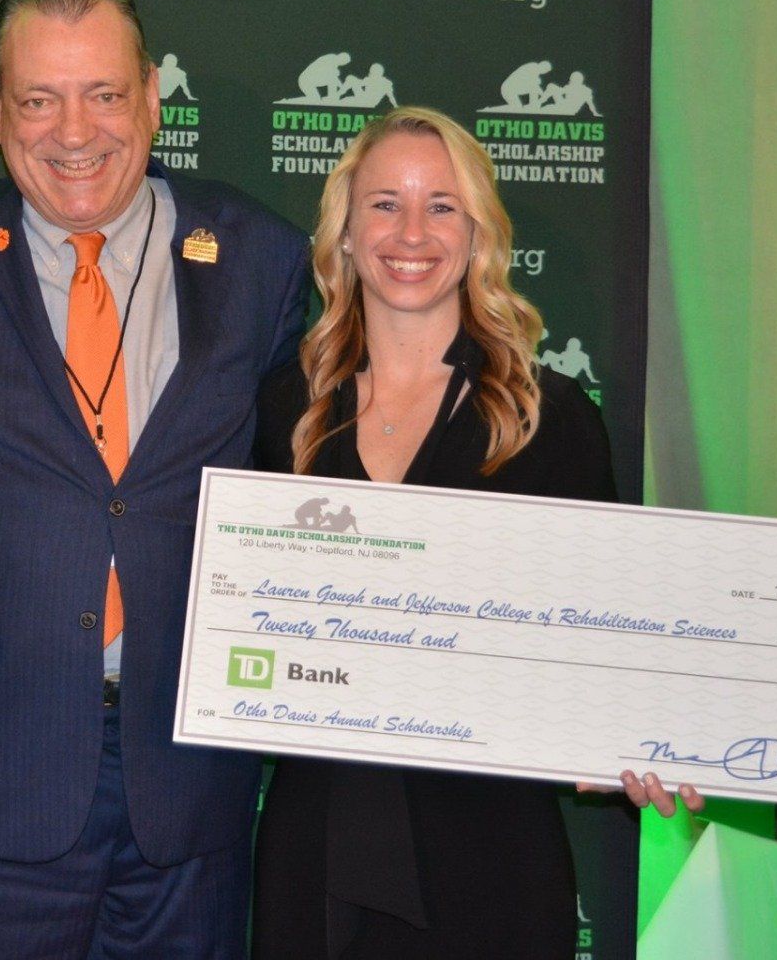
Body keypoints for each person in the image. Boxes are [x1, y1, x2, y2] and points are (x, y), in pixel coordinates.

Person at [0, 0, 309, 958]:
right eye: (39, 98)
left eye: (104, 93)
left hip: (186, 796)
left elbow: (311, 509)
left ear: (152, 97)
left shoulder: (261, 258)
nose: (74, 131)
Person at [250, 107, 699, 959]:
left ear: (479, 234)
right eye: (384, 204)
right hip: (318, 850)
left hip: (488, 857)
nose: (411, 231)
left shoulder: (546, 417)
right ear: (344, 233)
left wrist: (645, 736)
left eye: (442, 206)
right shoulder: (285, 410)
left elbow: (614, 636)